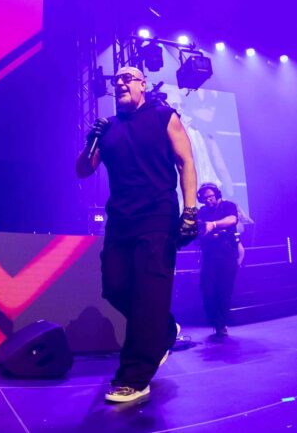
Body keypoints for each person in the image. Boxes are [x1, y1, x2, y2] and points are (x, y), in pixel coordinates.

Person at [76, 66, 198, 403]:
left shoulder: (163, 116)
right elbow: (83, 170)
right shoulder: (108, 128)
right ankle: (163, 328)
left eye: (128, 78)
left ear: (143, 85)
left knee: (149, 292)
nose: (120, 82)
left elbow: (186, 161)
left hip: (157, 215)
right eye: (117, 80)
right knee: (114, 287)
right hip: (120, 220)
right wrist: (91, 141)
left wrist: (190, 210)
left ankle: (134, 377)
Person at [197, 183, 241, 337]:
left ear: (217, 194)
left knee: (224, 290)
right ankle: (214, 321)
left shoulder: (228, 206)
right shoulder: (202, 212)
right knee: (208, 289)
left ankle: (221, 324)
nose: (208, 200)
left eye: (210, 196)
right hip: (209, 256)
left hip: (227, 255)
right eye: (204, 198)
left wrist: (214, 224)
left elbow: (232, 220)